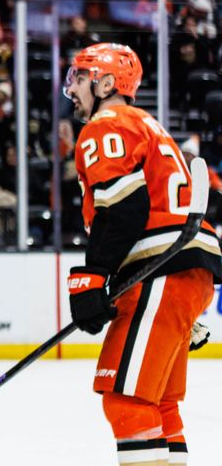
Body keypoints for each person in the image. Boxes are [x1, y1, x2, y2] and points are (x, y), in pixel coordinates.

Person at [64, 43, 222, 466]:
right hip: (181, 271)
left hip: (160, 270)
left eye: (80, 76)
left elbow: (122, 207)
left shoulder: (106, 124)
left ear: (107, 83)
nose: (72, 87)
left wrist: (94, 275)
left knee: (127, 399)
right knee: (159, 405)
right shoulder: (150, 125)